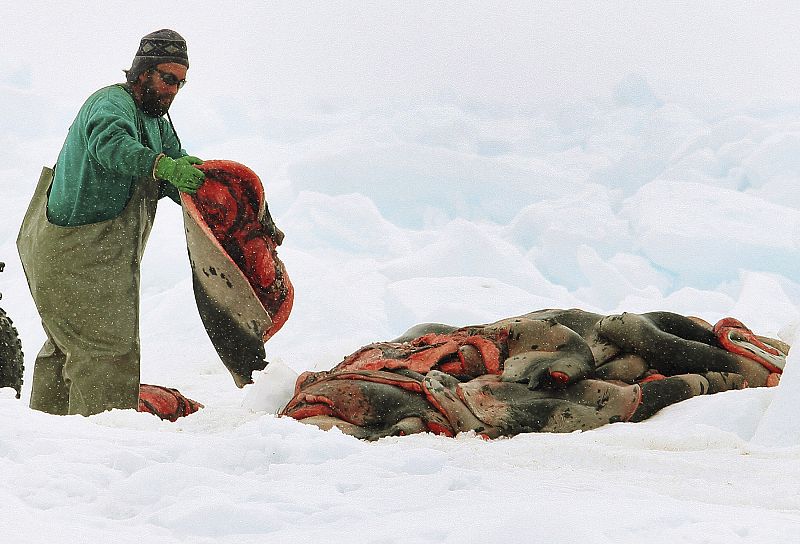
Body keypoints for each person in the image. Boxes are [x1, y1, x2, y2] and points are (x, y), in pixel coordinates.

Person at [17, 29, 206, 416]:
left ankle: (48, 438)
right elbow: (112, 145)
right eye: (167, 79)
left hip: (93, 255)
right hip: (75, 253)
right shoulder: (110, 105)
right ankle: (101, 454)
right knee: (105, 353)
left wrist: (205, 183)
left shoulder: (157, 120)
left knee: (66, 349)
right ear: (142, 72)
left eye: (180, 83)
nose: (173, 90)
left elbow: (174, 162)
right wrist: (160, 166)